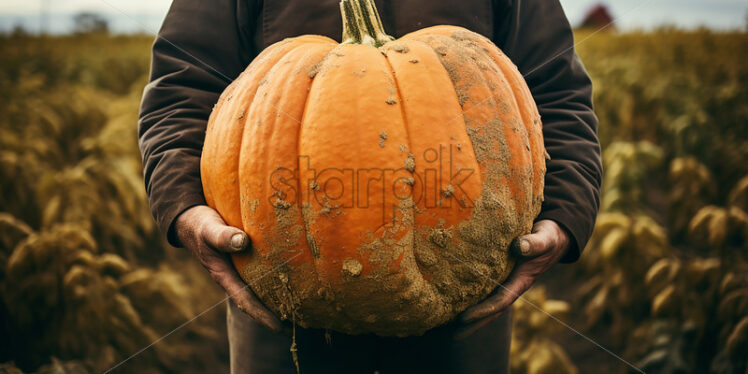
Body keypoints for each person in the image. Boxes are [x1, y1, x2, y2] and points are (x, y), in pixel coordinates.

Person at [138, 0, 602, 373]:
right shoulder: (291, 64)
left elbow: (558, 93)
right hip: (285, 309)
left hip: (466, 309)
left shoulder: (461, 51)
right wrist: (183, 209)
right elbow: (182, 87)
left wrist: (564, 215)